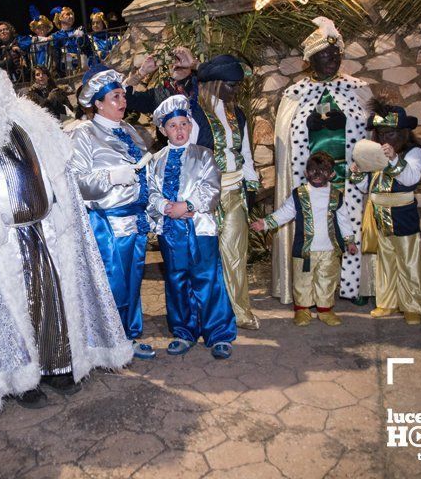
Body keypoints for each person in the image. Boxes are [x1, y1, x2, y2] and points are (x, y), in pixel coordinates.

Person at [0, 45, 132, 415]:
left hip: (44, 229)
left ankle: (58, 366)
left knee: (52, 297)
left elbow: (60, 169)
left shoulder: (30, 116)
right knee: (10, 310)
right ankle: (21, 380)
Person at [273, 17, 373, 307]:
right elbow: (286, 137)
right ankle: (311, 289)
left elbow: (371, 131)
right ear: (310, 60)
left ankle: (353, 285)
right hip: (312, 177)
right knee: (316, 232)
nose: (331, 59)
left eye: (336, 54)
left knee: (350, 226)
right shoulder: (296, 94)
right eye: (324, 55)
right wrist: (308, 126)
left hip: (347, 174)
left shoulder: (357, 89)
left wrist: (352, 121)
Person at [69, 65, 155, 360]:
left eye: (122, 96)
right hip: (109, 224)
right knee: (113, 284)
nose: (123, 101)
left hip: (136, 220)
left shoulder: (129, 129)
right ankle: (107, 344)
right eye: (116, 96)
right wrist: (110, 177)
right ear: (98, 103)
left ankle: (128, 337)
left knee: (132, 281)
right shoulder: (84, 134)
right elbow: (76, 183)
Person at [148, 96, 236, 358]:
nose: (179, 130)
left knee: (207, 279)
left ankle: (218, 332)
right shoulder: (156, 160)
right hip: (170, 232)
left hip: (200, 229)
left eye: (184, 124)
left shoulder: (204, 155)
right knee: (176, 281)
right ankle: (184, 331)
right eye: (173, 125)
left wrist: (186, 206)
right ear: (163, 130)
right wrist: (165, 206)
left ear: (190, 126)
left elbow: (211, 188)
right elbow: (150, 191)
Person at [251, 152, 358, 327]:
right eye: (313, 170)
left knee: (327, 280)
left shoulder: (336, 195)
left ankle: (325, 310)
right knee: (302, 280)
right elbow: (285, 213)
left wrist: (350, 241)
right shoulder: (299, 194)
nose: (317, 174)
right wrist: (266, 223)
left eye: (323, 171)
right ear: (306, 172)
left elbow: (344, 219)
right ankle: (302, 309)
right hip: (304, 249)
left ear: (331, 174)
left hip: (330, 250)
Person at [195, 55, 261, 330]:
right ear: (216, 83)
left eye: (238, 86)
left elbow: (245, 153)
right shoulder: (194, 112)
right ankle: (210, 314)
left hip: (234, 192)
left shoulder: (238, 114)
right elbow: (189, 156)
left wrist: (253, 185)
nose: (236, 91)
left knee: (235, 255)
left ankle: (240, 311)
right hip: (205, 199)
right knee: (206, 259)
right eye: (231, 85)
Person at [350, 102, 421, 325]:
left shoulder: (414, 152)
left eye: (390, 133)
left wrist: (393, 158)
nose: (384, 138)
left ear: (403, 132)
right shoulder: (375, 152)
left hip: (402, 213)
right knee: (385, 261)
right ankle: (387, 302)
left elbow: (411, 178)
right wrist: (357, 174)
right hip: (378, 214)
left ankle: (413, 305)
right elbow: (368, 187)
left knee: (408, 261)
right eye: (381, 133)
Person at [50, 6, 85, 76]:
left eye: (72, 14)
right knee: (68, 56)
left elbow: (86, 47)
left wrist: (83, 36)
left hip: (82, 63)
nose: (71, 16)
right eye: (68, 14)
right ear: (60, 17)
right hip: (66, 65)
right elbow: (55, 53)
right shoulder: (56, 35)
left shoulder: (79, 30)